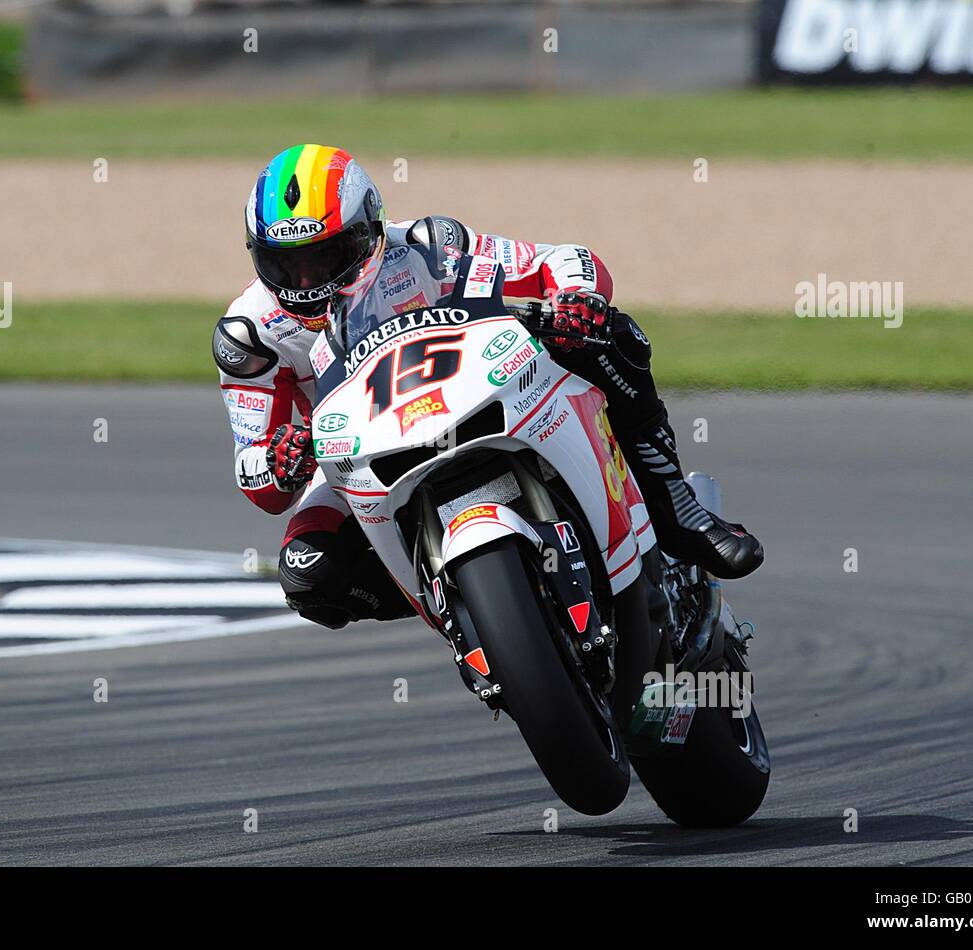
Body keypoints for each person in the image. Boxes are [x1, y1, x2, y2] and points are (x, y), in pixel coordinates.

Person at [213, 144, 763, 629]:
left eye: (323, 258)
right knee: (308, 572)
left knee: (611, 335)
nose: (307, 283)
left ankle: (677, 510)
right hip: (357, 451)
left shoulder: (428, 248)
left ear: (368, 235)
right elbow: (258, 479)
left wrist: (576, 299)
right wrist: (282, 458)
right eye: (286, 266)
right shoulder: (250, 334)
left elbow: (565, 262)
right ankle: (465, 600)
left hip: (478, 394)